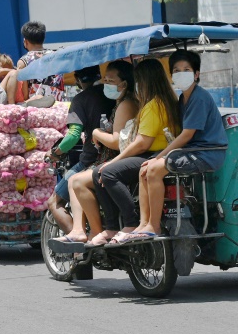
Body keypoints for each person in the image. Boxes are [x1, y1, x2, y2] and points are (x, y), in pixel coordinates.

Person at [121, 50, 228, 243]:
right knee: (145, 169)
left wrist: (160, 156)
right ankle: (144, 224)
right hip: (192, 151)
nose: (181, 73)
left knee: (152, 168)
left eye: (186, 69)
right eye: (176, 70)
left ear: (196, 74)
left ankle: (152, 225)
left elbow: (187, 135)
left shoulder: (199, 97)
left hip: (205, 154)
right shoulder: (183, 98)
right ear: (171, 75)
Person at [89, 59, 180, 245]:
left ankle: (129, 223)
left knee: (105, 172)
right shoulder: (171, 100)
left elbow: (142, 144)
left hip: (153, 155)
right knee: (101, 171)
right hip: (164, 153)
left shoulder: (153, 105)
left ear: (145, 81)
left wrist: (114, 161)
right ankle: (114, 226)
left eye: (138, 81)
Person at [67, 61, 139, 246]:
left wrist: (97, 133)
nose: (105, 83)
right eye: (104, 78)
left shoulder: (126, 104)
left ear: (124, 83)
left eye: (110, 80)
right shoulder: (120, 103)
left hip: (118, 159)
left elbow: (116, 141)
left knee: (76, 181)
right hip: (116, 157)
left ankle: (98, 230)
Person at [47, 65, 115, 236]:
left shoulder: (80, 100)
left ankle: (78, 248)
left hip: (91, 160)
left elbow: (73, 135)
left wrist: (55, 153)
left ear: (77, 80)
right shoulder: (116, 95)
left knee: (54, 201)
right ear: (100, 75)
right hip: (118, 156)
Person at [1, 21, 64, 107]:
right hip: (58, 105)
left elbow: (23, 91)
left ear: (25, 41)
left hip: (36, 107)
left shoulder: (24, 61)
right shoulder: (56, 56)